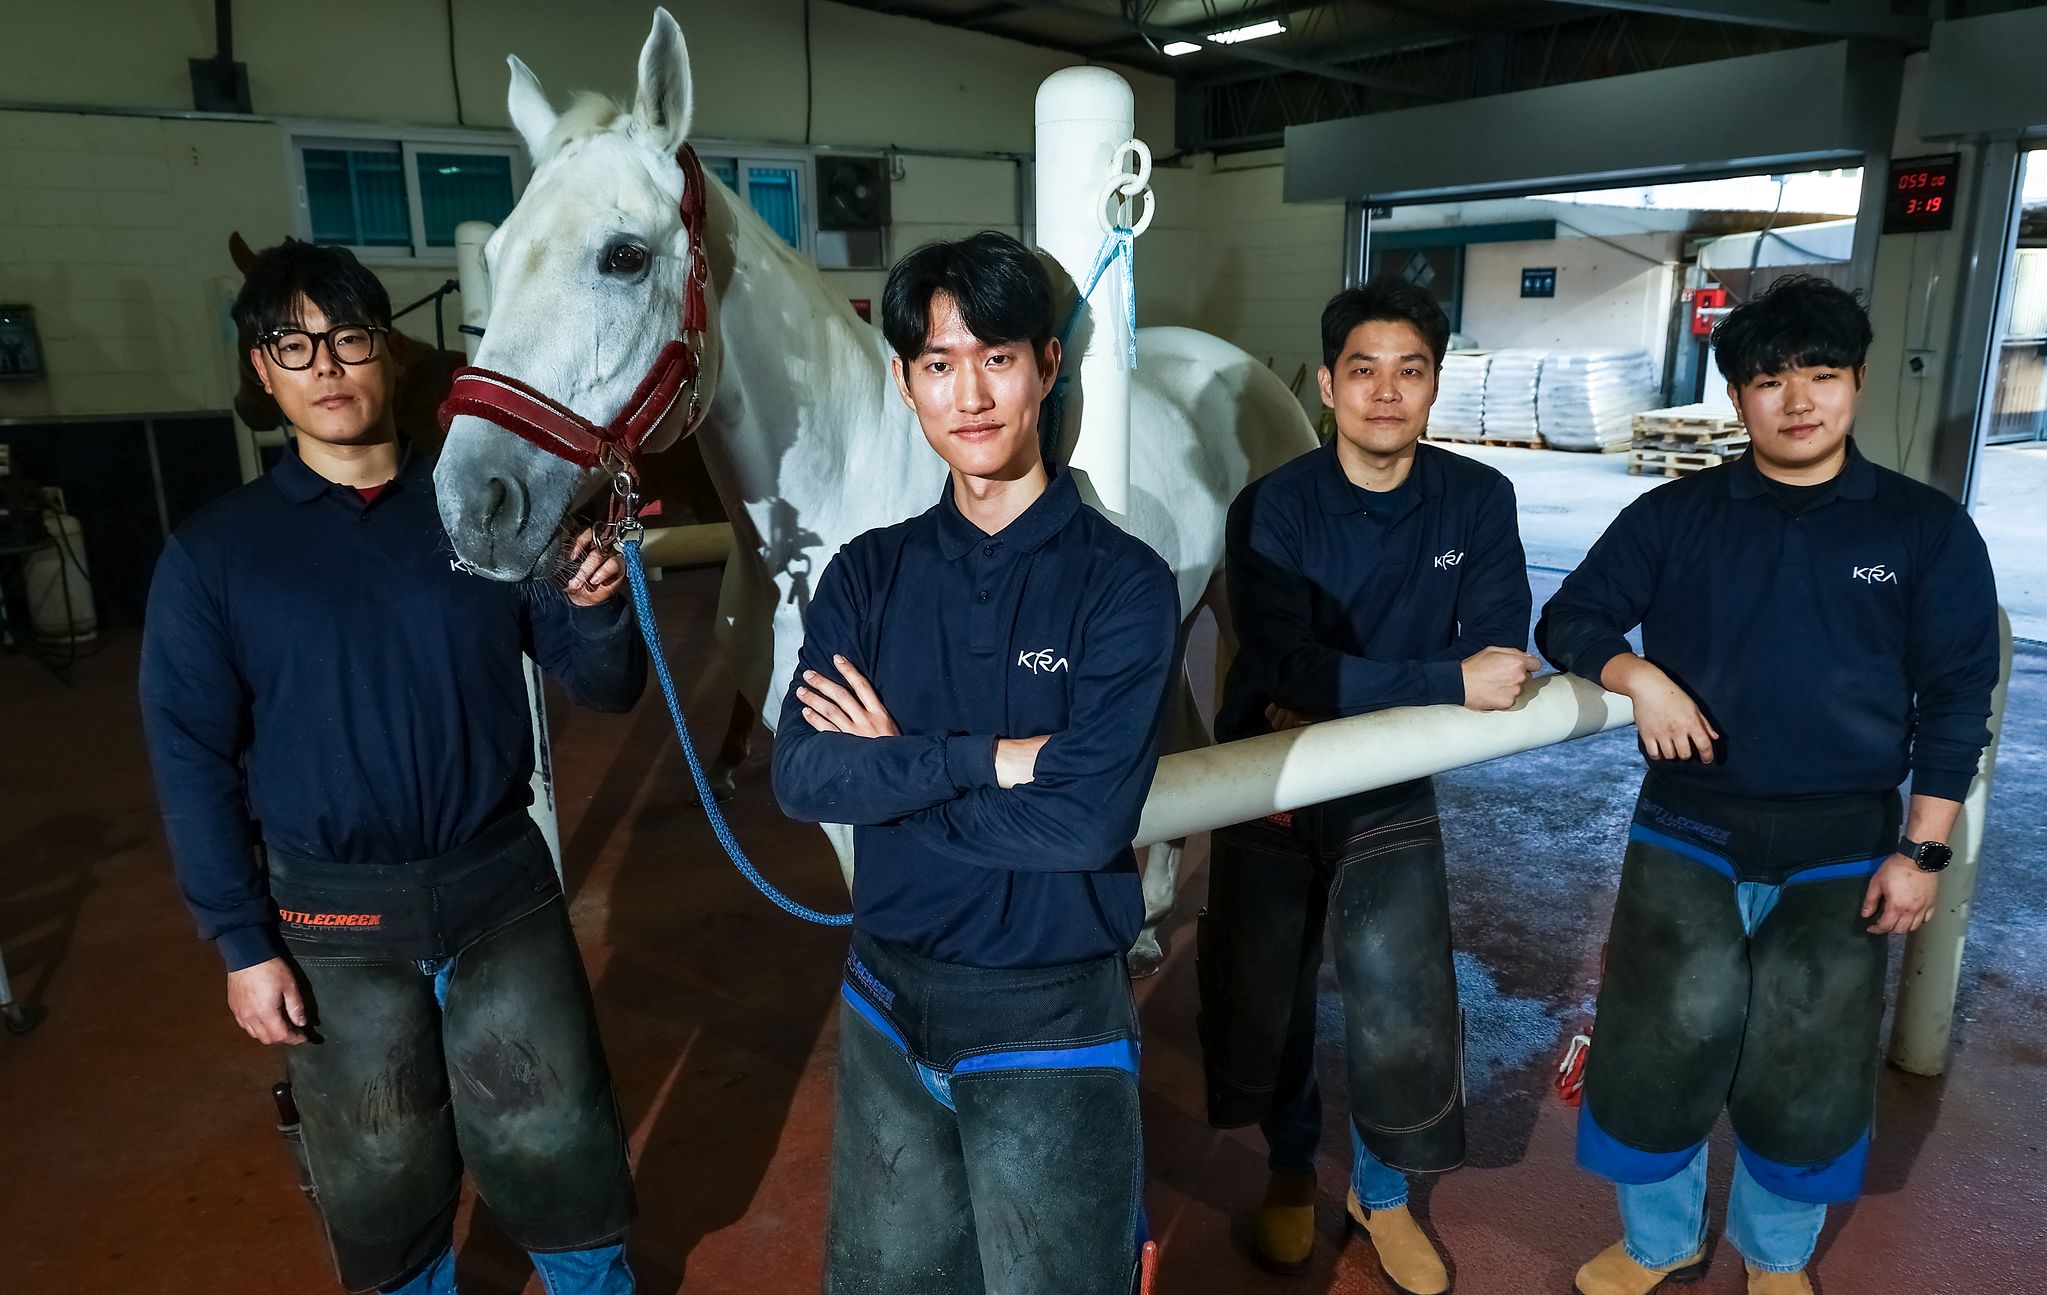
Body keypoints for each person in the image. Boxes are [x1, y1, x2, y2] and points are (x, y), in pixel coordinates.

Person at [139, 241, 646, 1295]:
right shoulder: (216, 554)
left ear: (392, 356)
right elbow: (191, 756)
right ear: (262, 371)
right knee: (379, 1173)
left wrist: (597, 609)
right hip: (331, 919)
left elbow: (601, 684)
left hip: (498, 886)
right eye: (295, 343)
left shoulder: (481, 503)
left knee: (560, 1142)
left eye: (349, 337)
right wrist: (241, 941)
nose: (327, 365)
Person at [1536, 276, 2000, 1295]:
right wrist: (1636, 674)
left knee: (1808, 1058)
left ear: (1857, 384)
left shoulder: (1922, 530)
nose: (1796, 400)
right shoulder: (1675, 515)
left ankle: (1775, 1254)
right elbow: (1569, 617)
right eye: (1767, 380)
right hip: (1687, 826)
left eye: (1820, 375)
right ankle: (1659, 1241)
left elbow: (1957, 694)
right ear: (1737, 399)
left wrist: (1920, 850)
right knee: (1661, 1042)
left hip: (1842, 841)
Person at [771, 231, 1179, 1295]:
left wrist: (895, 778)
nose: (971, 393)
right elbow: (804, 777)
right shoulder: (866, 574)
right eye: (939, 364)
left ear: (1046, 364)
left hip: (1050, 1022)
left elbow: (1085, 825)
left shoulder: (1123, 585)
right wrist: (985, 759)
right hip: (882, 1003)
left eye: (997, 356)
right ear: (906, 384)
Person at [1197, 279, 1536, 1290]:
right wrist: (1440, 681)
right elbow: (1292, 666)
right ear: (1324, 384)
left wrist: (1390, 688)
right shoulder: (1274, 505)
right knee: (1266, 988)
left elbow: (1500, 653)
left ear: (1435, 385)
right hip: (1273, 764)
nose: (1385, 392)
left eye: (1410, 369)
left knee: (1400, 991)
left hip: (1388, 774)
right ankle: (1292, 1167)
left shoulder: (1477, 500)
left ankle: (1380, 1192)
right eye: (1363, 369)